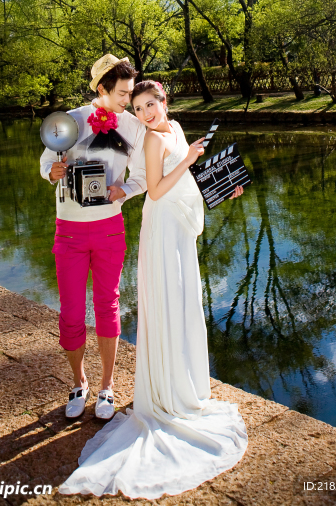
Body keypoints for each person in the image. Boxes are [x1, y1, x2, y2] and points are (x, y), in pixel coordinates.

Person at [58, 80, 248, 499]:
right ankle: (163, 395)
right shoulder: (151, 141)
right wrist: (191, 158)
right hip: (161, 230)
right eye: (139, 107)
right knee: (168, 302)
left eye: (151, 105)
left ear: (165, 102)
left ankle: (183, 388)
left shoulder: (176, 129)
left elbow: (189, 181)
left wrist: (221, 189)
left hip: (180, 228)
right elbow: (158, 190)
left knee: (184, 305)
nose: (144, 113)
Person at [39, 55, 146, 422]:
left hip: (109, 229)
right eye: (121, 93)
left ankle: (106, 386)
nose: (126, 101)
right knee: (70, 312)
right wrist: (52, 172)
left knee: (108, 306)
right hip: (68, 230)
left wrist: (124, 190)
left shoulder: (133, 127)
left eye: (130, 93)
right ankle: (78, 382)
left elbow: (144, 175)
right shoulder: (69, 121)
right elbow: (44, 164)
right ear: (102, 89)